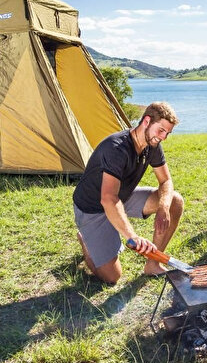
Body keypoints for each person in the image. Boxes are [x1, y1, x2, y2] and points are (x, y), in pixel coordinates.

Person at [72, 101, 184, 283]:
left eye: (167, 133)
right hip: (93, 208)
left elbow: (166, 180)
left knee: (174, 201)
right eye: (161, 130)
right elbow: (108, 199)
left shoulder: (152, 144)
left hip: (121, 196)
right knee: (112, 277)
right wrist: (132, 236)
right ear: (147, 121)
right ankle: (85, 240)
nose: (163, 137)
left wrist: (164, 207)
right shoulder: (116, 148)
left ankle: (153, 264)